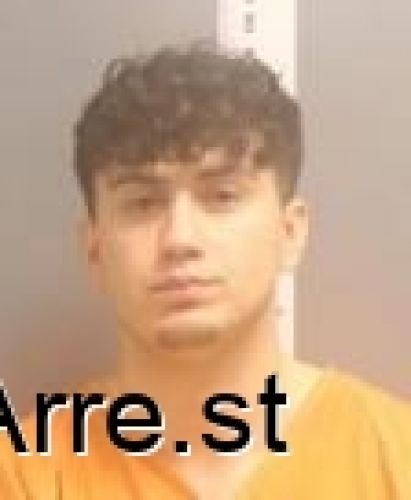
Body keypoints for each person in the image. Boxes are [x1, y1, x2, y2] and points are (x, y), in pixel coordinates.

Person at [0, 43, 410, 499]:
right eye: (143, 203)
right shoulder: (23, 477)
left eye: (222, 196)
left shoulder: (396, 461)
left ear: (290, 232)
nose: (180, 239)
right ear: (95, 252)